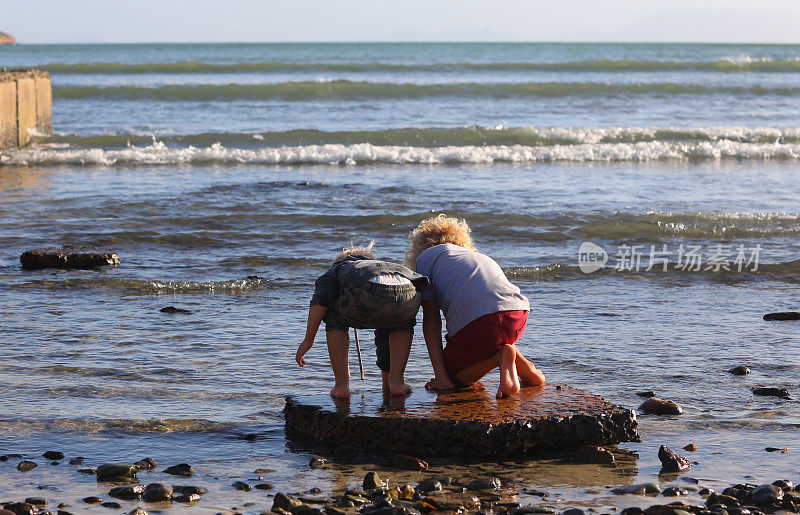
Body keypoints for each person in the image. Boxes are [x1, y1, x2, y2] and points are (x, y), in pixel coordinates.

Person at [406, 215, 545, 398]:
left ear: (419, 248)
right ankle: (530, 372)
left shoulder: (425, 260)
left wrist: (441, 376)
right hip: (517, 314)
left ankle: (500, 356)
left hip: (481, 324)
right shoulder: (475, 257)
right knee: (489, 337)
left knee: (454, 377)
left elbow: (431, 323)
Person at [296, 242, 428, 398]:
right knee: (400, 321)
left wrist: (308, 340)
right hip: (410, 286)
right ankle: (397, 382)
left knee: (332, 315)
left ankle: (341, 386)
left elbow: (321, 298)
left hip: (368, 288)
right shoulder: (382, 265)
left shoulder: (338, 268)